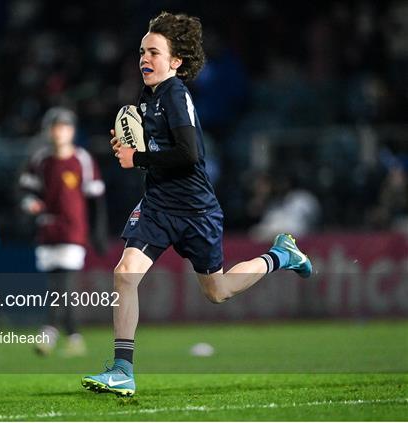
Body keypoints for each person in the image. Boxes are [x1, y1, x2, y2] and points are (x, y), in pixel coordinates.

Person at [81, 12, 313, 397]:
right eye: (142, 51)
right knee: (125, 274)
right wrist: (130, 147)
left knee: (217, 291)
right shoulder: (148, 95)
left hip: (195, 210)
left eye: (154, 52)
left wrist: (135, 159)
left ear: (176, 62)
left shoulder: (175, 95)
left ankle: (280, 255)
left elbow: (189, 155)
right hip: (158, 204)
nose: (144, 58)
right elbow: (152, 147)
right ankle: (122, 370)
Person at [19, 107, 107, 357]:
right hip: (47, 229)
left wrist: (98, 234)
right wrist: (29, 204)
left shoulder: (82, 160)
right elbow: (25, 192)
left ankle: (48, 332)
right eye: (54, 127)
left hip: (73, 231)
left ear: (72, 131)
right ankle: (75, 338)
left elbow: (96, 199)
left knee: (62, 286)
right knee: (57, 286)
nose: (59, 132)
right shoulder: (40, 161)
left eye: (64, 127)